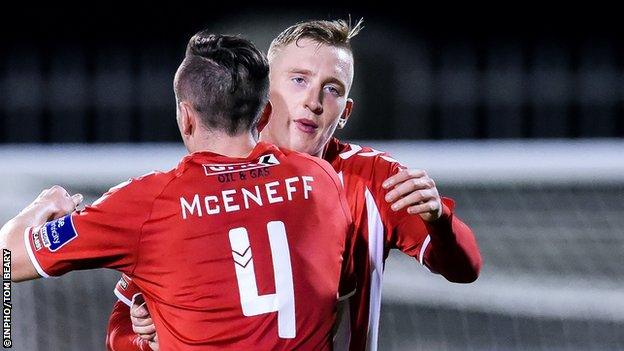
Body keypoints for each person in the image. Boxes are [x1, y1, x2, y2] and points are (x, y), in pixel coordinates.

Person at [109, 19, 482, 351]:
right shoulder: (196, 188)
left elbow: (465, 268)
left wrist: (438, 221)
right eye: (299, 79)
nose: (313, 100)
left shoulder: (372, 179)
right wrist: (145, 339)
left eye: (332, 88)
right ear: (264, 90)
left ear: (346, 112)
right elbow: (120, 326)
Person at [1, 31, 356, 350]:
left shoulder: (148, 203)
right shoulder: (320, 180)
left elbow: (6, 260)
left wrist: (43, 205)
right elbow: (330, 306)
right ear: (263, 115)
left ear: (186, 117)